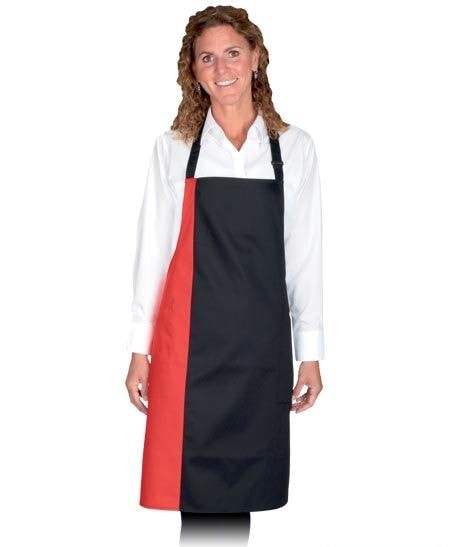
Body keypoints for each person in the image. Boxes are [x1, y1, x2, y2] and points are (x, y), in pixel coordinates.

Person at [125, 5, 324, 545]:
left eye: (233, 53)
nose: (222, 68)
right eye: (207, 58)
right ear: (193, 71)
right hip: (189, 349)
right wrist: (140, 349)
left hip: (259, 351)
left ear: (256, 58)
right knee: (196, 495)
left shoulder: (293, 149)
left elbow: (304, 255)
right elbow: (152, 253)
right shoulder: (174, 148)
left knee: (241, 492)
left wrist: (310, 351)